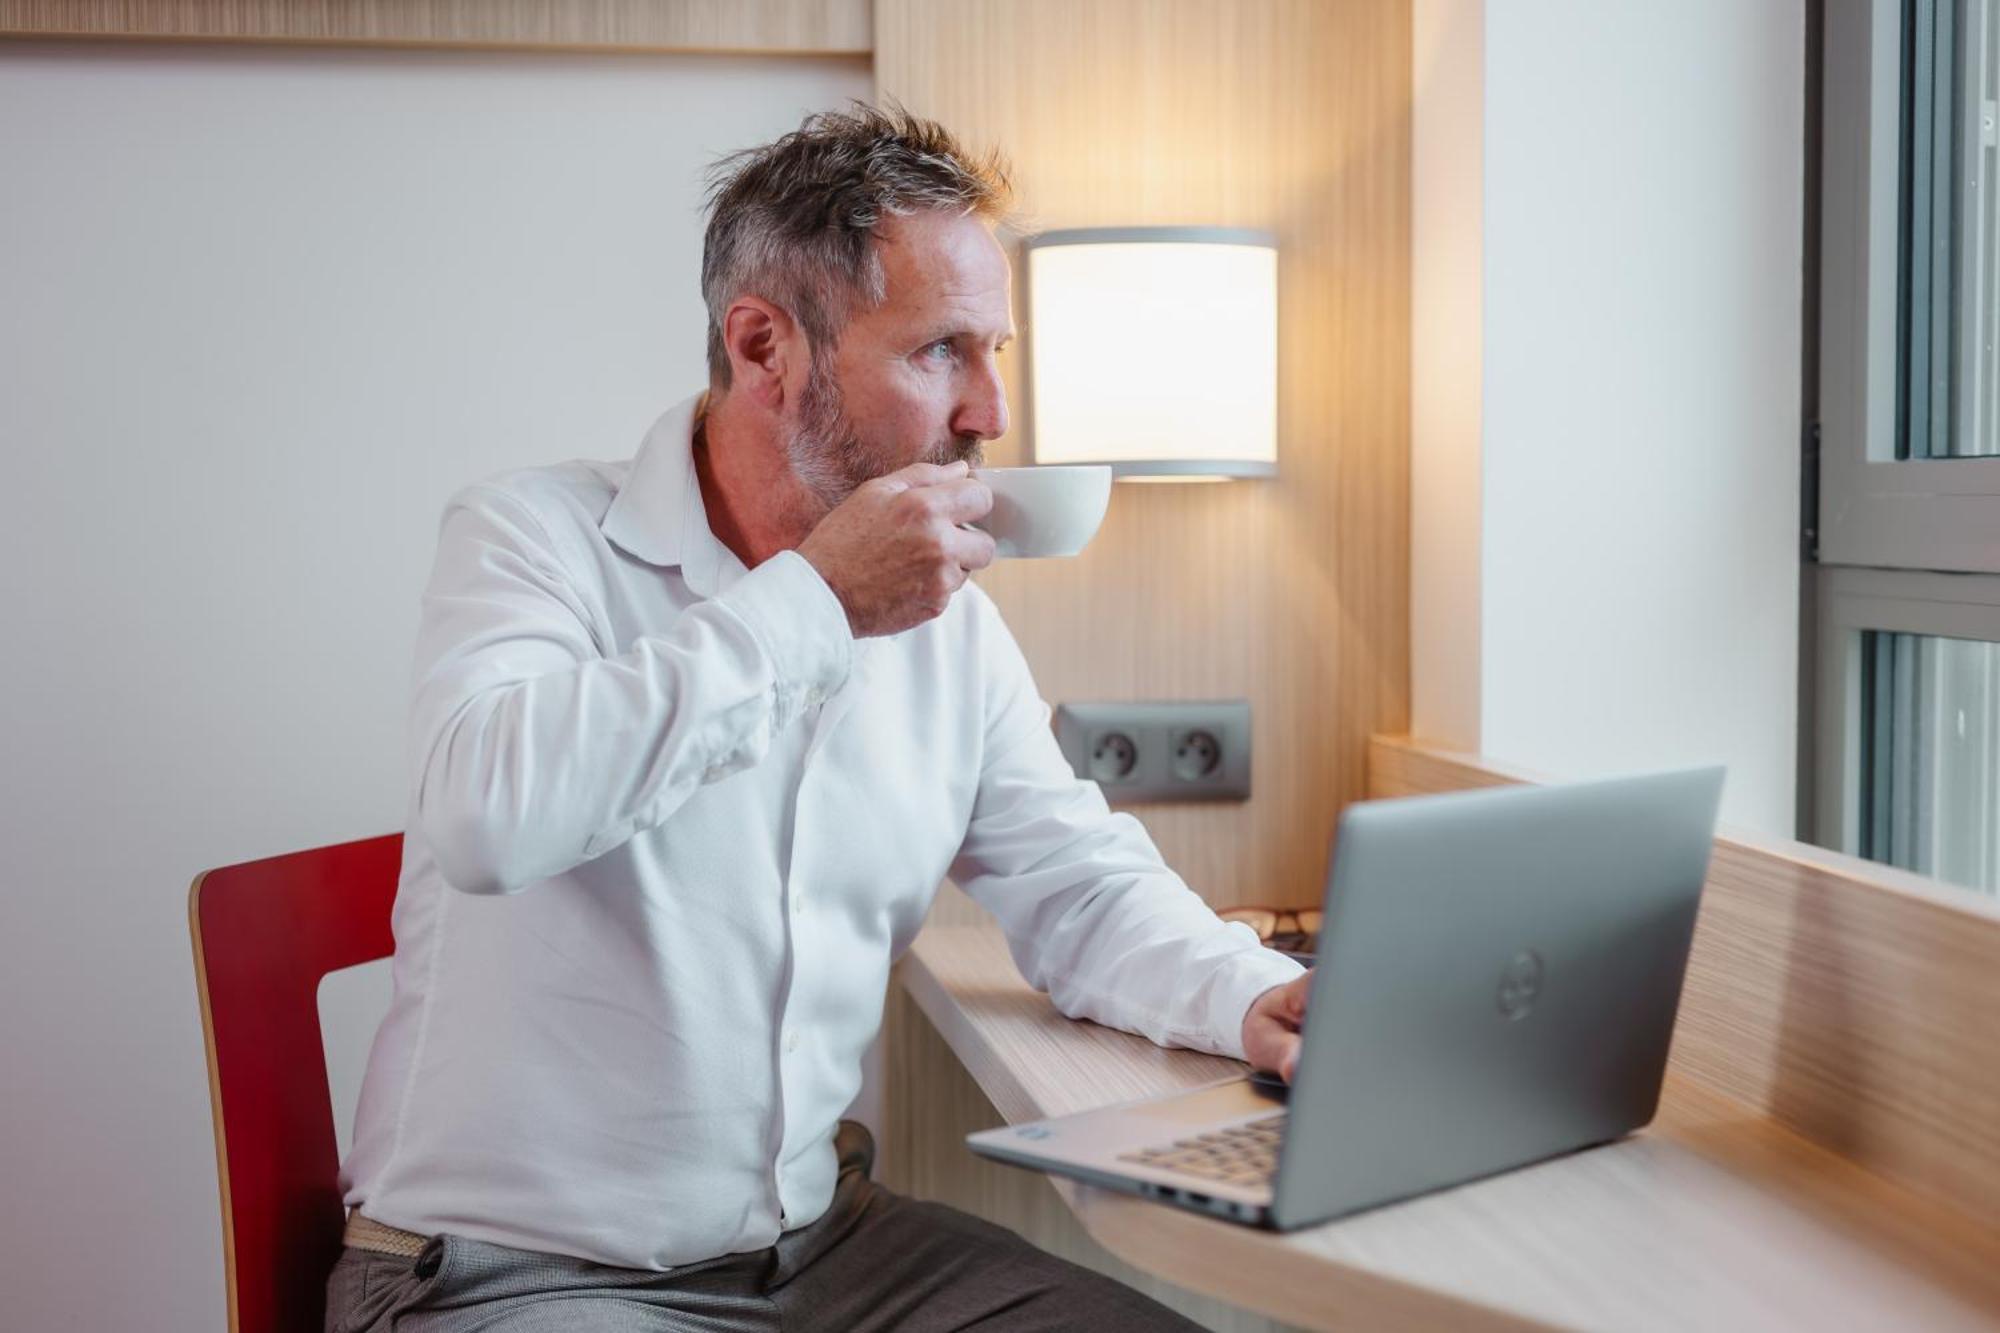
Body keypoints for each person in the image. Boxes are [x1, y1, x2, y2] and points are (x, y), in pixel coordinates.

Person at [325, 104, 1311, 1333]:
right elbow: (488, 816)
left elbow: (1076, 882)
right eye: (942, 350)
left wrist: (1249, 992)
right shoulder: (530, 537)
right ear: (763, 349)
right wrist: (817, 605)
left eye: (994, 349)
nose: (993, 410)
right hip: (511, 1273)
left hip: (827, 1257)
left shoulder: (942, 623)